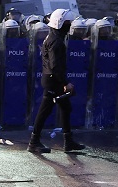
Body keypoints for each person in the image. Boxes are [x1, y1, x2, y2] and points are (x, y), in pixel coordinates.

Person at [27, 8, 85, 155]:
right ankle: (34, 142)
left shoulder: (53, 37)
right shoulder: (56, 41)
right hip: (53, 80)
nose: (70, 24)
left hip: (52, 79)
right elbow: (55, 66)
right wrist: (66, 82)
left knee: (65, 108)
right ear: (59, 23)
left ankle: (68, 141)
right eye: (67, 22)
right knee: (44, 111)